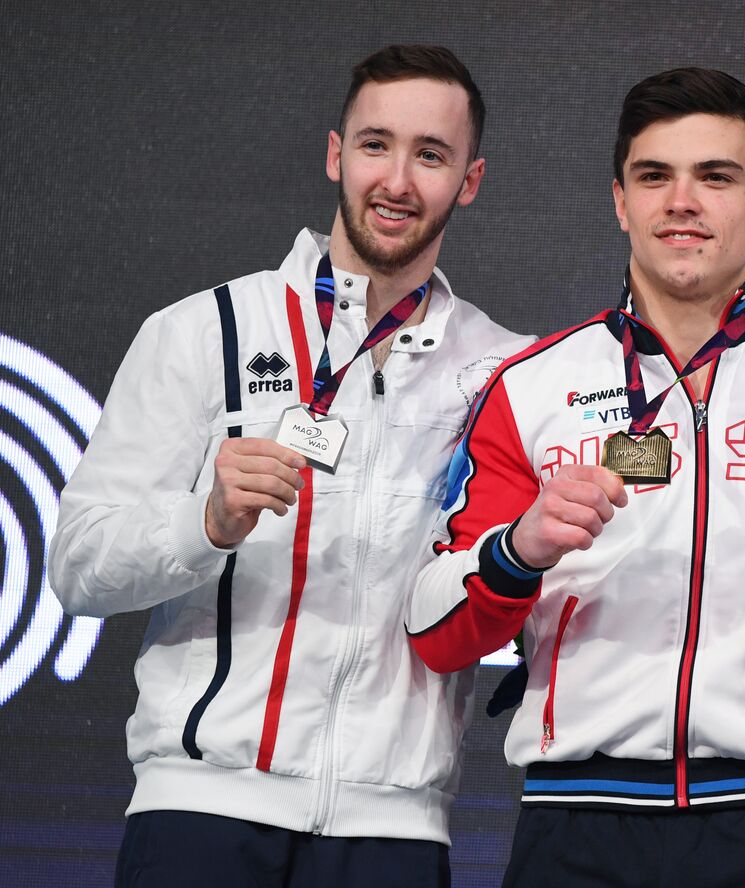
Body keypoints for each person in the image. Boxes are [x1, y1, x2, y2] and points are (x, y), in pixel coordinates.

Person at [406, 67, 745, 886]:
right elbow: (434, 633)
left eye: (716, 176)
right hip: (575, 821)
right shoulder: (536, 384)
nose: (682, 200)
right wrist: (518, 550)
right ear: (621, 202)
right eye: (655, 177)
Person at [49, 45, 531, 887]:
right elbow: (79, 566)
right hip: (201, 812)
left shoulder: (505, 371)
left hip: (397, 827)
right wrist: (205, 521)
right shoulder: (202, 331)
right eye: (376, 145)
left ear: (471, 179)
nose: (398, 181)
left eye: (431, 155)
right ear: (336, 153)